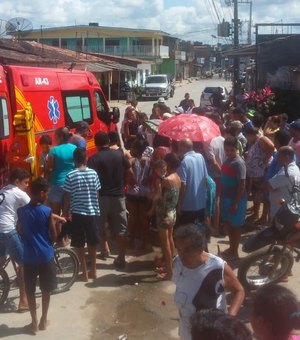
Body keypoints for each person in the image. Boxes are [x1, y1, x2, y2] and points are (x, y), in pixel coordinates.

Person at [173, 224, 245, 340]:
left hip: (212, 333)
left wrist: (229, 319)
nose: (181, 255)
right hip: (187, 331)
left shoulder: (217, 267)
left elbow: (239, 290)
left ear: (201, 247)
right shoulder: (177, 264)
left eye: (187, 250)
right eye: (179, 249)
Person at [17, 177, 57, 334]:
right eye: (46, 193)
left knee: (31, 291)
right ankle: (43, 320)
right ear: (41, 193)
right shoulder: (47, 211)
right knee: (46, 289)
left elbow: (20, 231)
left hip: (29, 257)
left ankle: (33, 322)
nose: (47, 195)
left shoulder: (21, 212)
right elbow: (53, 236)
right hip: (46, 256)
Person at [87, 132, 130, 269]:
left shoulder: (93, 159)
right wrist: (124, 186)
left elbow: (92, 181)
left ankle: (94, 260)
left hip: (101, 198)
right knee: (121, 229)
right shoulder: (119, 154)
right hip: (118, 197)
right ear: (109, 141)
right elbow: (130, 172)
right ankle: (121, 258)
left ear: (96, 143)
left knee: (97, 228)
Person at [63, 148, 101, 281]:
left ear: (74, 160)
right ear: (86, 159)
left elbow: (67, 197)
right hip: (92, 213)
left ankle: (84, 273)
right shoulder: (93, 173)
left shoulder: (70, 175)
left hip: (77, 214)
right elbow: (96, 193)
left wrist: (66, 212)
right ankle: (94, 271)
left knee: (79, 244)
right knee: (92, 243)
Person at [0, 168, 30, 312]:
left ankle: (4, 283)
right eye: (25, 183)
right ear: (17, 181)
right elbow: (35, 208)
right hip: (7, 230)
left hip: (2, 229)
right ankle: (24, 301)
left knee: (1, 260)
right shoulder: (19, 193)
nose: (27, 186)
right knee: (24, 264)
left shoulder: (3, 189)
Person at [149, 154, 181, 280]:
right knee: (170, 239)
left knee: (165, 243)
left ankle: (169, 273)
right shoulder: (177, 178)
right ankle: (172, 267)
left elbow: (157, 197)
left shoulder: (166, 181)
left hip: (163, 214)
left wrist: (151, 196)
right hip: (172, 212)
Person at [220, 137, 247, 260]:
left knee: (235, 227)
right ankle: (231, 249)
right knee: (229, 225)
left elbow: (242, 185)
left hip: (236, 200)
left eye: (232, 150)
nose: (229, 152)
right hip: (226, 198)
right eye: (227, 150)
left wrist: (235, 203)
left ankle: (234, 253)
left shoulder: (239, 162)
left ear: (237, 149)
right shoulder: (227, 160)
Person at [245, 126, 274, 223]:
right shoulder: (254, 142)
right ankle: (256, 214)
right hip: (256, 174)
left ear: (252, 135)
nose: (247, 138)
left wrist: (266, 159)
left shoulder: (261, 139)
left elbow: (271, 146)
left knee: (264, 196)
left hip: (262, 173)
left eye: (248, 136)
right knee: (256, 195)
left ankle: (263, 217)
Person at [126, 138, 151, 251]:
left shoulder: (132, 161)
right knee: (144, 219)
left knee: (132, 218)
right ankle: (145, 242)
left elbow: (126, 168)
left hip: (133, 192)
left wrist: (131, 177)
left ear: (136, 149)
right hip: (144, 192)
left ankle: (131, 241)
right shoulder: (149, 161)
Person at [46, 127, 77, 216]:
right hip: (71, 183)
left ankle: (58, 230)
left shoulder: (54, 150)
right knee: (68, 212)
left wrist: (46, 182)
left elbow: (49, 168)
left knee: (55, 213)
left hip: (57, 184)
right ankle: (68, 229)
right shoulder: (74, 148)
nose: (54, 137)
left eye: (55, 135)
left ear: (60, 137)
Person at [177, 139, 208, 225]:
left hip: (187, 205)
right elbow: (205, 178)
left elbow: (183, 184)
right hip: (201, 202)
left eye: (179, 146)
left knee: (187, 234)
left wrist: (179, 203)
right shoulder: (200, 157)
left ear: (183, 147)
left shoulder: (183, 161)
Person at [268, 146, 300, 219]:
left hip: (282, 212)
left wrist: (256, 184)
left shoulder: (287, 173)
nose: (277, 158)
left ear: (287, 157)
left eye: (279, 155)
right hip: (286, 209)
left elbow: (270, 186)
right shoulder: (294, 167)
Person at [203, 134, 225, 236]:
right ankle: (217, 226)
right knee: (218, 200)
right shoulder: (222, 139)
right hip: (221, 173)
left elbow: (213, 161)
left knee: (214, 201)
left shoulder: (207, 142)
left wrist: (221, 173)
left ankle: (214, 228)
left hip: (214, 175)